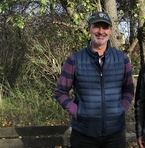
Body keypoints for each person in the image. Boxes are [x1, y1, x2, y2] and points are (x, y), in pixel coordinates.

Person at [54, 11, 134, 148]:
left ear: (110, 30)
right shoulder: (74, 60)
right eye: (97, 26)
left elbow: (129, 90)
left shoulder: (122, 59)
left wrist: (121, 109)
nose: (101, 31)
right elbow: (61, 92)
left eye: (105, 27)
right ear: (89, 29)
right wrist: (78, 112)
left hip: (115, 135)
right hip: (84, 135)